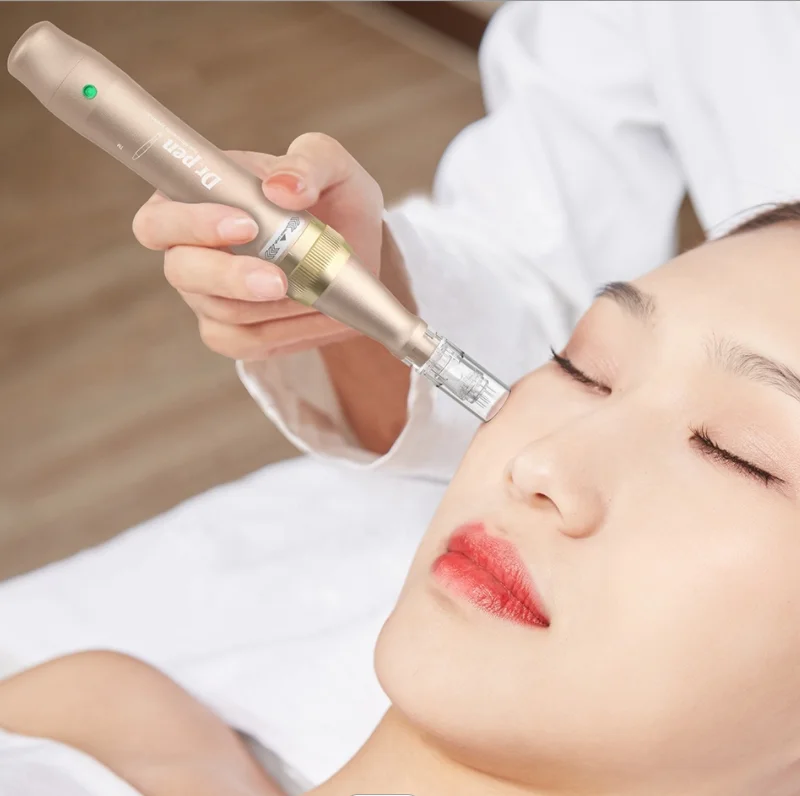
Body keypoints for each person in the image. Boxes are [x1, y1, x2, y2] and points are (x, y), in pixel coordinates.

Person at [2, 0, 800, 789]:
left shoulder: (121, 723)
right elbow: (531, 247)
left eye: (737, 455)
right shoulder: (118, 719)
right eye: (581, 368)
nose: (537, 462)